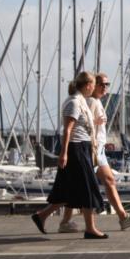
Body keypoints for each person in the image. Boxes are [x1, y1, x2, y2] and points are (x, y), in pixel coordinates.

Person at [59, 72, 130, 232]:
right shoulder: (90, 101)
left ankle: (64, 221)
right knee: (105, 181)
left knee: (79, 186)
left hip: (97, 149)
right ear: (92, 85)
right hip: (93, 150)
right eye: (101, 84)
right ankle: (122, 217)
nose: (105, 87)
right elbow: (80, 125)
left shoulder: (95, 101)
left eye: (107, 84)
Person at [31, 71, 108, 239]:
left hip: (83, 147)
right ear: (88, 85)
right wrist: (64, 153)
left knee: (69, 189)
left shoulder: (81, 101)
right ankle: (90, 228)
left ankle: (42, 216)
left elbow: (82, 125)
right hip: (76, 148)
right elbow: (67, 129)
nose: (95, 88)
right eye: (94, 84)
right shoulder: (73, 102)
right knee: (88, 187)